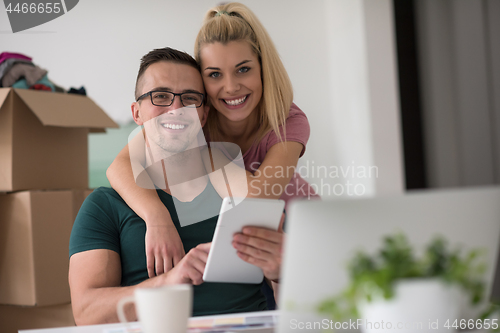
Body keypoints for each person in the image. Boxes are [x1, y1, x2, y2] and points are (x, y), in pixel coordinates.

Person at [69, 48, 284, 325]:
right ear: (137, 112)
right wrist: (168, 283)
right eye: (160, 96)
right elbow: (86, 313)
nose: (176, 109)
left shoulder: (240, 191)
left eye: (190, 99)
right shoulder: (104, 206)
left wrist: (284, 270)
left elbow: (294, 301)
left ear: (204, 115)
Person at [106, 2, 319, 282]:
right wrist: (156, 216)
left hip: (295, 220)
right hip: (243, 234)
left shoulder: (286, 118)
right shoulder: (192, 117)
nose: (230, 87)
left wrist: (207, 156)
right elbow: (119, 166)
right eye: (215, 75)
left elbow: (256, 199)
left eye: (243, 69)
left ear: (263, 69)